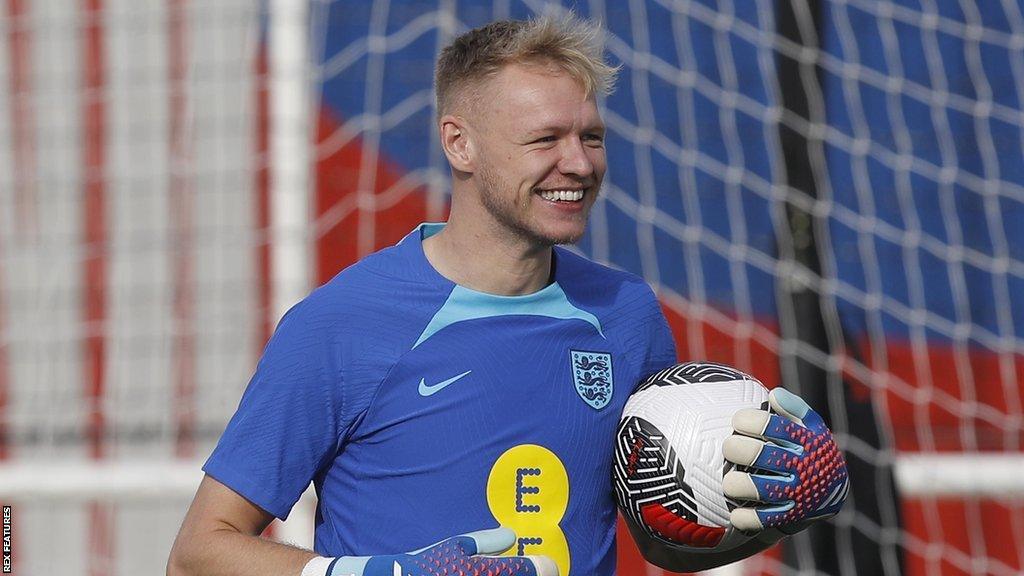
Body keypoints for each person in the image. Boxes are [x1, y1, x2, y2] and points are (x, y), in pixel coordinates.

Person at [167, 14, 846, 576]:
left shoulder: (625, 314)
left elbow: (663, 539)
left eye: (591, 137)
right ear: (459, 144)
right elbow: (199, 553)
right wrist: (381, 575)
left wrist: (780, 509)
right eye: (544, 140)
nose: (578, 164)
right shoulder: (340, 325)